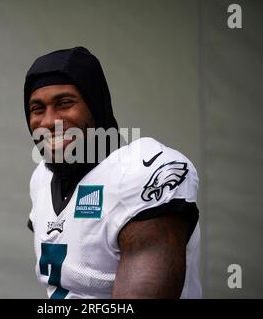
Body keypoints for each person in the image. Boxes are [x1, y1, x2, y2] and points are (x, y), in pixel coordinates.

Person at [24, 46, 201, 299]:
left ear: (95, 105)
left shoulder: (139, 173)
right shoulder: (42, 178)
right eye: (37, 109)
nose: (49, 121)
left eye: (64, 103)